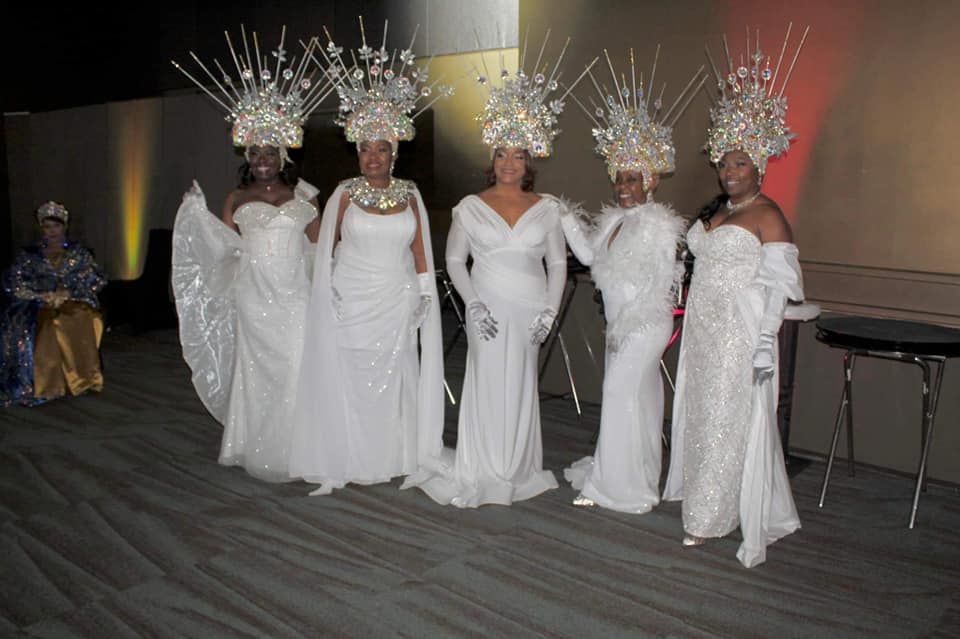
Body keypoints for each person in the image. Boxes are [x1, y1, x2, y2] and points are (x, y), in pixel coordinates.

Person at [406, 35, 591, 507]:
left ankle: (516, 466)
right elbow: (452, 261)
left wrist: (550, 312)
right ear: (492, 160)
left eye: (519, 155)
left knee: (522, 382)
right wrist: (473, 303)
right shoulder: (470, 206)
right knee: (488, 380)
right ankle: (484, 466)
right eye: (502, 154)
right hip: (484, 303)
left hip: (530, 305)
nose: (509, 162)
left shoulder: (545, 207)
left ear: (530, 161)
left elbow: (556, 262)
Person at [663, 27, 808, 567]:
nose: (729, 171)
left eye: (740, 164)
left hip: (735, 333)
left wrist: (765, 343)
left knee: (725, 416)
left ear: (760, 166)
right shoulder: (716, 210)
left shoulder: (769, 215)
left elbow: (779, 286)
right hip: (701, 329)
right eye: (724, 163)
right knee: (700, 414)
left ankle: (709, 516)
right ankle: (706, 498)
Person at [288, 19, 450, 495]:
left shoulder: (411, 192)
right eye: (366, 149)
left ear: (393, 152)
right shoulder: (342, 192)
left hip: (396, 298)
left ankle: (393, 453)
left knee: (395, 373)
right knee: (353, 374)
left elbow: (420, 248)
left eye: (382, 149)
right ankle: (352, 453)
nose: (373, 157)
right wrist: (329, 290)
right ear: (357, 152)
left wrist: (423, 293)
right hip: (353, 297)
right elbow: (326, 247)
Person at [170, 28, 323, 481]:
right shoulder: (236, 198)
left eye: (269, 152)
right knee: (256, 372)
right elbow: (223, 246)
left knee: (296, 365)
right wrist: (194, 215)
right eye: (255, 151)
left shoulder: (305, 196)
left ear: (282, 155)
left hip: (294, 293)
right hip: (253, 296)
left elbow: (317, 247)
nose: (262, 159)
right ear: (247, 154)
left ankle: (299, 446)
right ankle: (254, 445)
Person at [560, 50, 701, 513]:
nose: (623, 186)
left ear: (650, 182)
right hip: (622, 324)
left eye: (632, 179)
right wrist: (562, 215)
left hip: (643, 325)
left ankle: (615, 487)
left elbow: (662, 283)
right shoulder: (614, 223)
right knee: (637, 399)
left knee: (618, 394)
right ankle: (638, 474)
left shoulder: (658, 224)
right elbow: (588, 259)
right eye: (619, 178)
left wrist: (628, 327)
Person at [1, 202, 105, 406]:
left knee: (81, 316)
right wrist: (41, 295)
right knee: (49, 324)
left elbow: (96, 279)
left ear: (64, 226)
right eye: (47, 227)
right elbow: (14, 282)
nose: (52, 231)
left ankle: (82, 379)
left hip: (71, 301)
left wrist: (68, 293)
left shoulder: (78, 253)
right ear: (41, 228)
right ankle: (49, 384)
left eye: (56, 226)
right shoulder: (29, 255)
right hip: (38, 304)